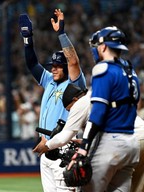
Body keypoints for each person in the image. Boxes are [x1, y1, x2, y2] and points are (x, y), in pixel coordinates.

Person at [19, 9, 86, 192]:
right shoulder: (49, 80)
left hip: (65, 150)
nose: (54, 69)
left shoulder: (75, 84)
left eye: (58, 66)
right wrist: (27, 39)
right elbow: (32, 64)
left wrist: (61, 33)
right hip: (46, 149)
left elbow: (73, 62)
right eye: (53, 66)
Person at [68, 26, 141, 192]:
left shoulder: (103, 69)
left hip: (110, 144)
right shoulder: (131, 71)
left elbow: (98, 114)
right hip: (131, 144)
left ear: (103, 46)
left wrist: (83, 148)